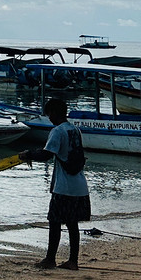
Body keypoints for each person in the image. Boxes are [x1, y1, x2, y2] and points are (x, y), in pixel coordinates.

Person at [22, 97, 90, 270]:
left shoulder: (58, 131)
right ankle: (73, 261)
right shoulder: (75, 130)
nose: (49, 118)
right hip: (79, 185)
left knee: (54, 221)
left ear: (53, 112)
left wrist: (28, 154)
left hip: (64, 187)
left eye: (48, 114)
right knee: (72, 224)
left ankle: (50, 259)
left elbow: (46, 154)